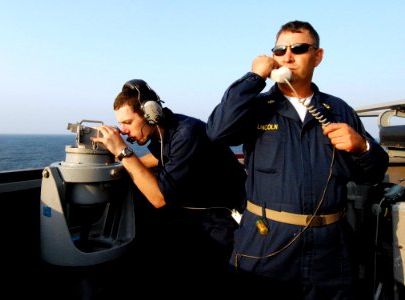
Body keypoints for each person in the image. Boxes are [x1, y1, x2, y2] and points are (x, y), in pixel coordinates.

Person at [206, 20, 389, 299]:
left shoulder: (339, 109)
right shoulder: (256, 107)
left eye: (299, 48)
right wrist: (253, 78)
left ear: (318, 56)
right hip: (267, 242)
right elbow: (217, 131)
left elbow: (371, 175)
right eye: (280, 50)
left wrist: (362, 146)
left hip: (328, 248)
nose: (287, 56)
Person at [91, 79, 247, 291]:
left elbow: (158, 199)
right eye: (120, 124)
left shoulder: (186, 134)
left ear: (149, 114)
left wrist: (123, 151)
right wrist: (115, 167)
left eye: (127, 122)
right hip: (196, 211)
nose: (124, 130)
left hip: (221, 220)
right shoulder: (162, 134)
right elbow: (152, 160)